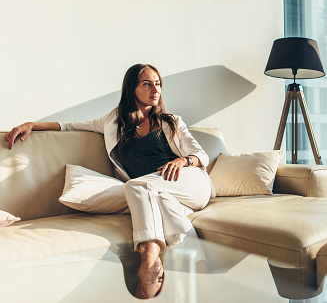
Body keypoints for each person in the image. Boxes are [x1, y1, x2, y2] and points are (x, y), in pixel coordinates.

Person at [5, 63, 212, 299]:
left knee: (135, 185)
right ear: (131, 88)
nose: (155, 90)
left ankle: (149, 251)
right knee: (158, 200)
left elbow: (202, 156)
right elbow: (68, 125)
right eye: (147, 84)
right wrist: (30, 124)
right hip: (157, 195)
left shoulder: (171, 121)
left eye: (158, 84)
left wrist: (183, 162)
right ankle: (199, 267)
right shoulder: (113, 123)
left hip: (189, 183)